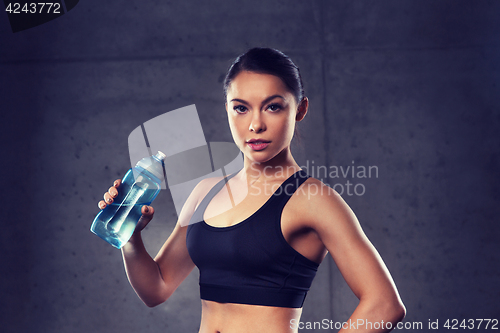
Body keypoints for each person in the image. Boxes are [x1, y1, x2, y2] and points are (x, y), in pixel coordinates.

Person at [98, 48, 406, 333]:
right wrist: (130, 236)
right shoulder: (206, 191)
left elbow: (384, 305)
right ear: (228, 111)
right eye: (241, 108)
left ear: (299, 110)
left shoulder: (314, 200)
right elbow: (157, 288)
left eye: (272, 107)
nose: (255, 124)